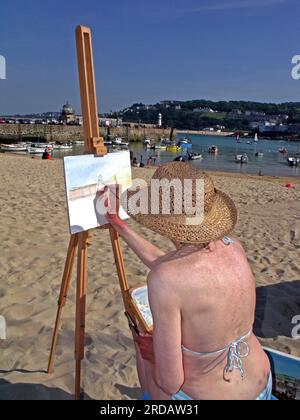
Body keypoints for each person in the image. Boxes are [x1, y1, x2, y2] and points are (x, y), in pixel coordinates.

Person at [104, 162, 272, 400]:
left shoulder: (166, 280)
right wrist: (119, 225)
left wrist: (153, 355)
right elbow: (172, 266)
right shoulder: (233, 247)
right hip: (260, 382)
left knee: (143, 350)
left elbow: (170, 382)